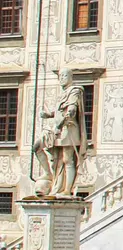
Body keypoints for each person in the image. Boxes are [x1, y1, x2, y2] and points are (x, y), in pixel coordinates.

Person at [33, 68, 88, 198]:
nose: (61, 78)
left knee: (67, 159)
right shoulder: (62, 93)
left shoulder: (75, 90)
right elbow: (59, 111)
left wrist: (66, 118)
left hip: (68, 128)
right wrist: (49, 114)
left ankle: (67, 190)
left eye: (64, 75)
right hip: (57, 129)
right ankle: (48, 173)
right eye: (60, 76)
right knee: (37, 147)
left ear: (70, 77)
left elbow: (72, 109)